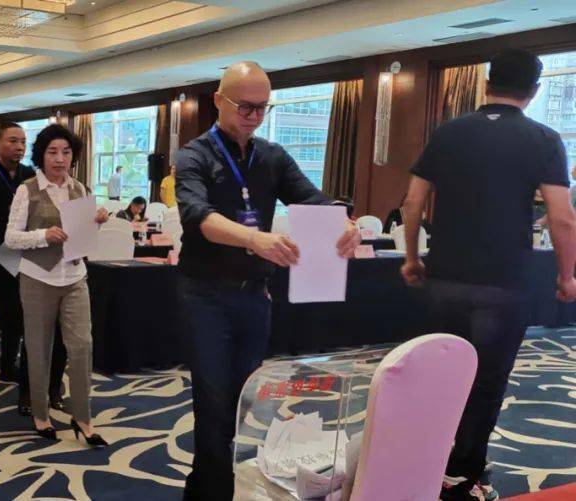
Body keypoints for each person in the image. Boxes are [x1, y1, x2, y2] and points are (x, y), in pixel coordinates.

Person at [175, 61, 360, 500]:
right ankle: (213, 493)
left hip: (255, 296)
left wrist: (345, 222)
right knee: (213, 401)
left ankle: (203, 488)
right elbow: (198, 217)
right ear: (219, 100)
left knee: (243, 400)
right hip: (205, 296)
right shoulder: (194, 155)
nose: (254, 116)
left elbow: (312, 200)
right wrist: (254, 239)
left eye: (262, 108)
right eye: (245, 107)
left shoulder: (272, 156)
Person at [400, 49, 576, 501]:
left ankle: (428, 459)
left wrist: (411, 257)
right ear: (534, 90)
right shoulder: (543, 139)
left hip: (444, 278)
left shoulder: (448, 133)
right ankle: (463, 473)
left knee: (441, 372)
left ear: (486, 83)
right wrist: (567, 276)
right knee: (487, 381)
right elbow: (562, 217)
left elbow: (412, 203)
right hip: (504, 282)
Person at [5, 123, 111, 446]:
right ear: (42, 156)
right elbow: (10, 238)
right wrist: (43, 235)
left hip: (75, 277)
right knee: (39, 349)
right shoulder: (27, 190)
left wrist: (97, 222)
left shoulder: (80, 189)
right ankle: (41, 414)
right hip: (38, 277)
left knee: (82, 346)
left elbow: (82, 236)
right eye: (52, 152)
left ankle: (83, 417)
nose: (60, 159)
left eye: (66, 152)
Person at [0, 122, 68, 415]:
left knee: (14, 313)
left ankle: (8, 365)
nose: (19, 147)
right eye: (13, 141)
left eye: (23, 142)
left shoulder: (29, 176)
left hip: (20, 254)